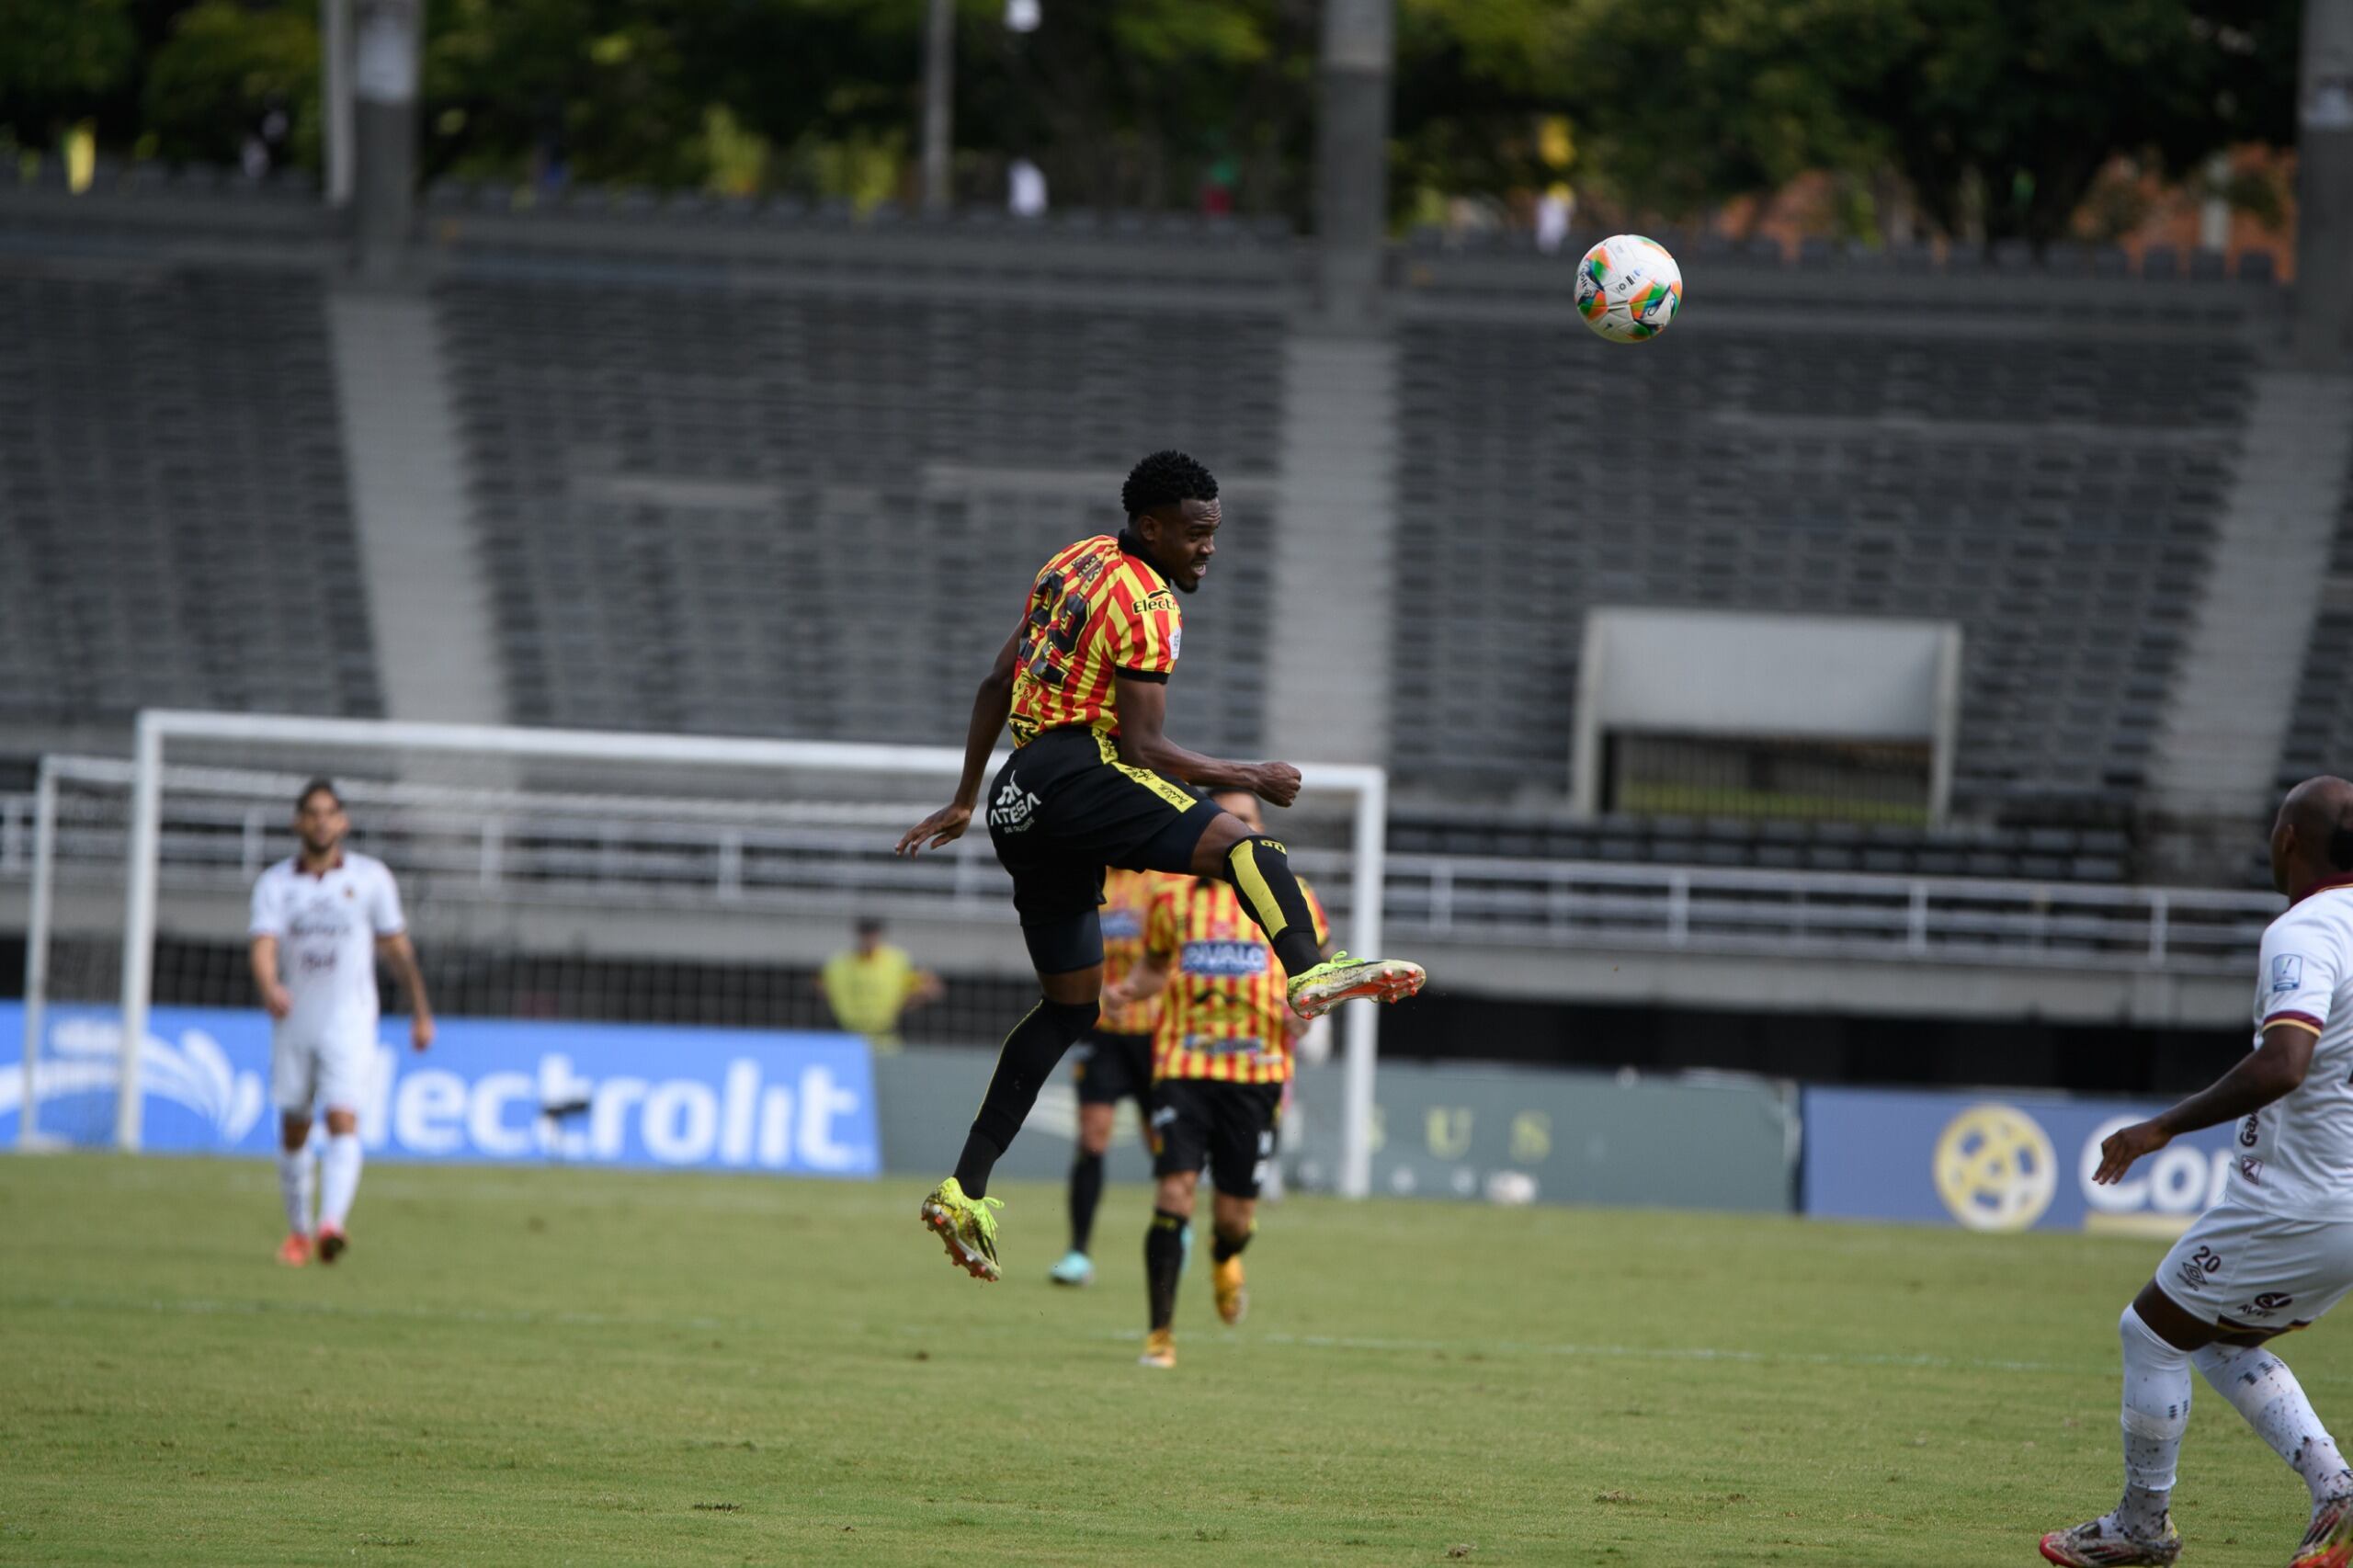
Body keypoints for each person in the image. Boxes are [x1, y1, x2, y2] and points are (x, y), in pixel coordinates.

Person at [895, 449, 1425, 1282]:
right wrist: (1251, 775)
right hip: (1078, 774)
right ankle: (1312, 970)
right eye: (1196, 534)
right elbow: (1143, 748)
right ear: (1153, 528)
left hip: (1016, 803)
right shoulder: (1150, 605)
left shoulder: (1071, 560)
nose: (1208, 547)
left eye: (1213, 532)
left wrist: (966, 797)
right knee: (1249, 847)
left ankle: (964, 1188)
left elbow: (999, 676)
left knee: (1070, 1009)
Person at [2040, 776, 2353, 1568]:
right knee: (2216, 1340)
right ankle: (2335, 1490)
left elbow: (2285, 1063)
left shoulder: (2307, 931)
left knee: (2148, 1332)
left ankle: (2140, 1530)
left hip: (2298, 1200)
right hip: (2338, 1200)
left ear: (2286, 840)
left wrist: (2161, 1126)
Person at [1104, 787, 1326, 1369]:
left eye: (1250, 823)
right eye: (1231, 822)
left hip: (1257, 1074)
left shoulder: (1297, 898)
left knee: (1234, 1217)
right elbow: (1153, 967)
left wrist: (1305, 1011)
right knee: (1174, 1191)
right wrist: (1127, 990)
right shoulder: (1172, 898)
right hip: (1183, 1066)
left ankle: (1226, 1256)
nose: (1241, 833)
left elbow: (1316, 978)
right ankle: (1160, 1335)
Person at [248, 780, 433, 1267]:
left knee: (343, 1116)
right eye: (312, 813)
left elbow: (397, 949)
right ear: (297, 822)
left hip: (350, 1022)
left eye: (330, 813)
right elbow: (263, 944)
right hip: (295, 1021)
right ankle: (298, 1232)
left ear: (343, 822)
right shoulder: (275, 885)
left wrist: (420, 1011)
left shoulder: (371, 880)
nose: (321, 821)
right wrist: (269, 986)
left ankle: (332, 1222)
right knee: (294, 1127)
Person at [1049, 866, 1169, 1287]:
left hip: (1155, 1033)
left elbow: (1174, 955)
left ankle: (1176, 1229)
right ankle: (1078, 1252)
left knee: (1165, 1144)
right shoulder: (1091, 881)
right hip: (1102, 1033)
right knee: (1092, 1137)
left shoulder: (1163, 881)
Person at [818, 916, 943, 1052]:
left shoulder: (896, 961)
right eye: (865, 933)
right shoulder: (840, 963)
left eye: (873, 933)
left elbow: (932, 988)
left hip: (884, 1039)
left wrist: (904, 1004)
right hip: (849, 1037)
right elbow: (820, 985)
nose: (869, 939)